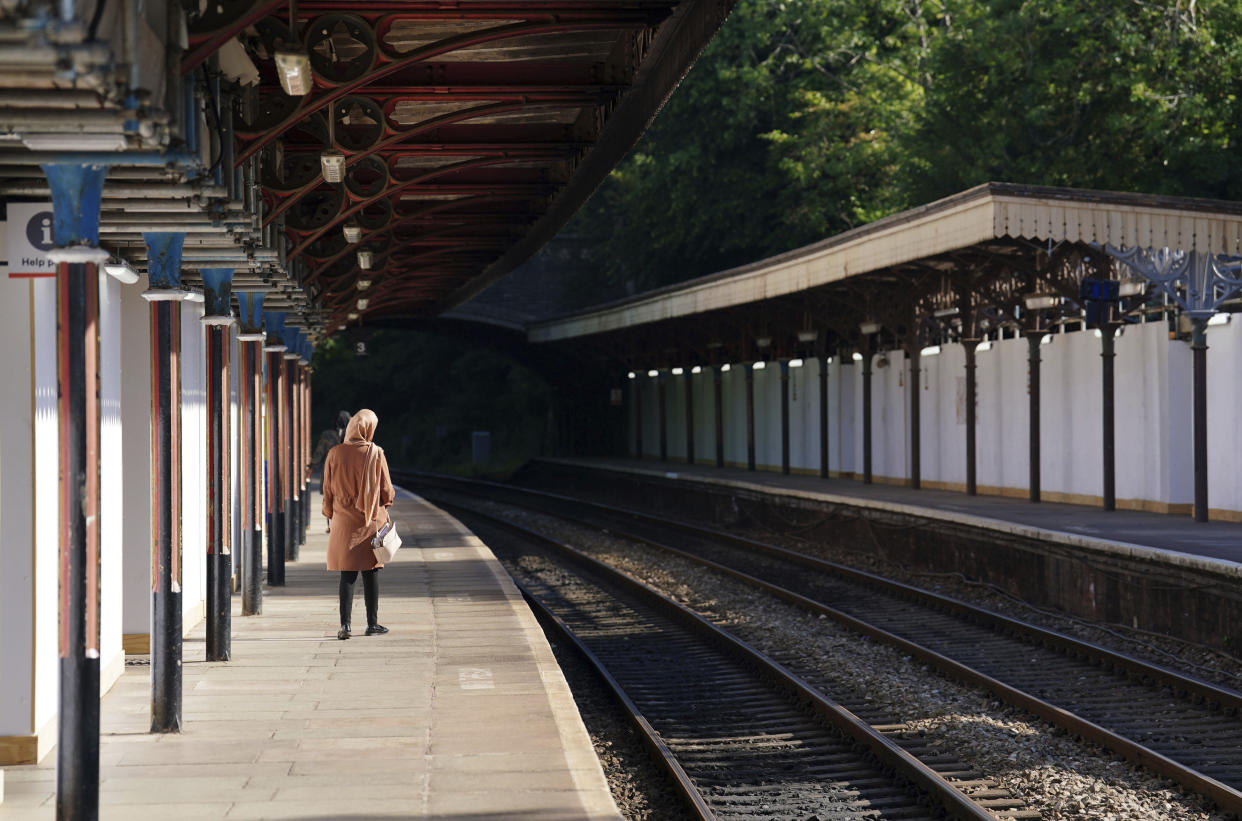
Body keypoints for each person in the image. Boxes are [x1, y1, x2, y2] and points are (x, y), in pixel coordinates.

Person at [322, 408, 395, 640]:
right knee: (371, 572)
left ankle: (345, 626)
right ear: (368, 428)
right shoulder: (376, 453)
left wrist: (329, 513)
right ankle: (372, 624)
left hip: (343, 522)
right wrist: (385, 502)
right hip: (370, 521)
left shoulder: (334, 453)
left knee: (347, 574)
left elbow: (327, 490)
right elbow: (386, 491)